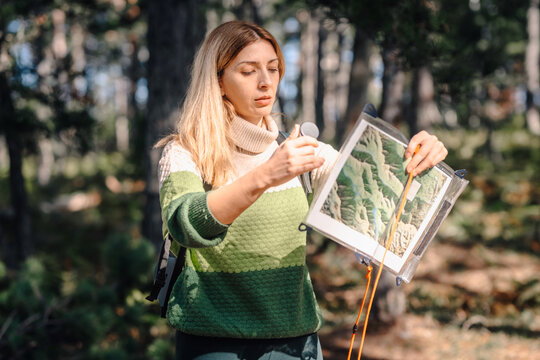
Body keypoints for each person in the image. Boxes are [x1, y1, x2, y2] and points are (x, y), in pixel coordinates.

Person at [155, 20, 448, 360]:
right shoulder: (185, 152)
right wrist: (266, 175)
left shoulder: (305, 154)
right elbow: (184, 225)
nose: (266, 82)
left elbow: (387, 213)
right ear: (218, 81)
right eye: (248, 71)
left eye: (273, 68)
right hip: (212, 345)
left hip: (296, 345)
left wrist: (424, 164)